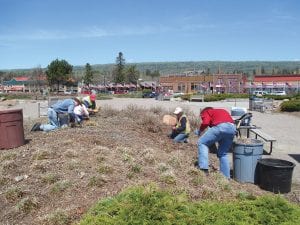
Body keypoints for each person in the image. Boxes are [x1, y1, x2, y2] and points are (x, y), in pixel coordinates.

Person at [196, 107, 236, 178]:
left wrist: (199, 131)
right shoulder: (222, 110)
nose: (202, 118)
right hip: (232, 129)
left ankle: (203, 168)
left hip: (220, 127)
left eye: (202, 117)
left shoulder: (207, 111)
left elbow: (205, 122)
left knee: (202, 143)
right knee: (222, 153)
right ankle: (226, 177)